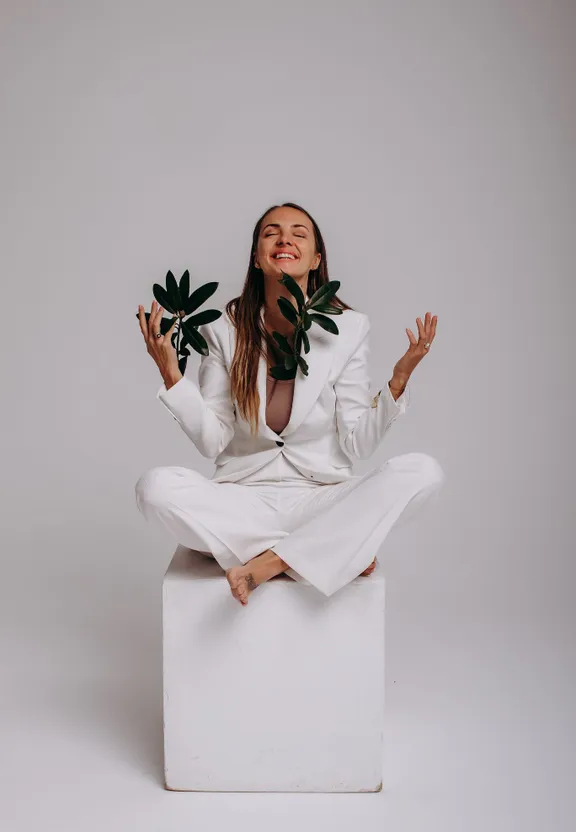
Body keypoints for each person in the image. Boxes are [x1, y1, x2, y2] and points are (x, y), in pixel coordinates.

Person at [135, 202, 444, 606]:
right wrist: (172, 377)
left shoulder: (348, 328)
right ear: (256, 257)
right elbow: (212, 442)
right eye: (271, 232)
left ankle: (269, 562)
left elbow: (357, 446)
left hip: (319, 497)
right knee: (155, 489)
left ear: (316, 259)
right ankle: (330, 550)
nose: (285, 239)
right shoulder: (223, 329)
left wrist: (398, 381)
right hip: (245, 499)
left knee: (423, 472)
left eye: (299, 233)